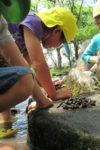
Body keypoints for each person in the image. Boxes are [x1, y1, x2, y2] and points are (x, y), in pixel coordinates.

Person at [0, 0, 52, 143]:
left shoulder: (1, 23)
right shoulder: (33, 21)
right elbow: (37, 62)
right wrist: (51, 93)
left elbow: (20, 63)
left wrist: (42, 100)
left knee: (23, 77)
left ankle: (6, 119)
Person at [8, 7, 77, 100]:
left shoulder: (28, 40)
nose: (57, 46)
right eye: (61, 43)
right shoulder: (33, 21)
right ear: (57, 31)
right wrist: (53, 94)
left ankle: (5, 115)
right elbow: (38, 63)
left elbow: (25, 70)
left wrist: (46, 85)